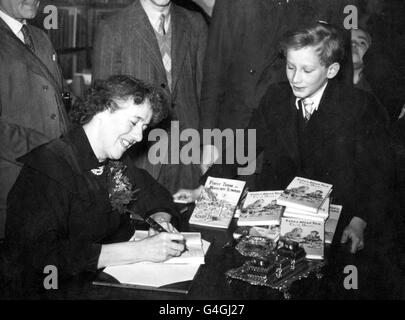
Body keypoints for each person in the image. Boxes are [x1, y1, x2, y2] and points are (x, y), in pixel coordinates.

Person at [175, 23, 395, 255]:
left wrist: (359, 221)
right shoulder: (275, 97)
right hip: (275, 222)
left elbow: (379, 174)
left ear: (331, 70)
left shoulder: (360, 106)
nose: (295, 79)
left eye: (307, 70)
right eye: (291, 67)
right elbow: (243, 149)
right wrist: (207, 188)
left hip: (336, 224)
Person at [4, 75, 186, 298]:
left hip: (101, 283)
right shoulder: (47, 167)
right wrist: (137, 251)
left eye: (144, 127)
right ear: (103, 110)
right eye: (134, 122)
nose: (139, 136)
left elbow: (155, 194)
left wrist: (160, 221)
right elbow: (39, 259)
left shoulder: (114, 161)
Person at [199, 0, 357, 177]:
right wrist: (209, 141)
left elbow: (342, 74)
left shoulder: (331, 5)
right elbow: (214, 74)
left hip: (291, 138)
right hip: (232, 134)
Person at [92, 0, 207, 194]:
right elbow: (102, 106)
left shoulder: (195, 22)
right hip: (139, 159)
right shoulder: (113, 27)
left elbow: (203, 91)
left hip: (189, 156)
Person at [0, 0, 69, 239]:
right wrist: (46, 150)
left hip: (52, 184)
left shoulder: (40, 37)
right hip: (12, 183)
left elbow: (59, 101)